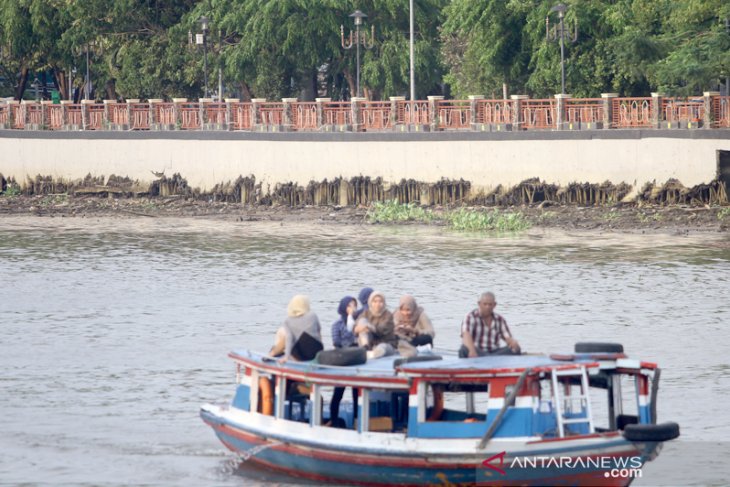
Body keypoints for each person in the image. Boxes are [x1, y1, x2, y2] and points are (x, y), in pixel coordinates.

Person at [459, 292, 520, 358]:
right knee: (463, 349)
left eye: (490, 304)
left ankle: (490, 358)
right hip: (477, 351)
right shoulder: (470, 317)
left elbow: (507, 337)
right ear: (479, 304)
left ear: (494, 305)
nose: (487, 307)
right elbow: (466, 335)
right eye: (485, 304)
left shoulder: (499, 319)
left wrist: (513, 343)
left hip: (495, 352)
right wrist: (471, 351)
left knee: (515, 349)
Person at [329, 296, 359, 427]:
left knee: (357, 393)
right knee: (338, 393)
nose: (352, 308)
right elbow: (336, 342)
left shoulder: (359, 323)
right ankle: (333, 419)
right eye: (349, 306)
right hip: (342, 361)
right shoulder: (337, 325)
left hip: (357, 361)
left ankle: (357, 420)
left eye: (354, 305)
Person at [270, 295, 323, 362]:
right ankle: (274, 353)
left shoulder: (288, 321)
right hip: (316, 351)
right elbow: (319, 332)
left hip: (301, 356)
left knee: (283, 333)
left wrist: (286, 356)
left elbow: (289, 338)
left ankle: (272, 354)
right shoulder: (313, 315)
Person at [354, 291, 397, 359]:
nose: (377, 304)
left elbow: (381, 330)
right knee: (362, 321)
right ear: (370, 303)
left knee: (381, 349)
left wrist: (368, 327)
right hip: (370, 343)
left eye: (380, 301)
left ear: (384, 303)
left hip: (386, 343)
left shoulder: (388, 315)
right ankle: (365, 347)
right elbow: (355, 327)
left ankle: (371, 354)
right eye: (375, 301)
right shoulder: (366, 313)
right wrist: (357, 329)